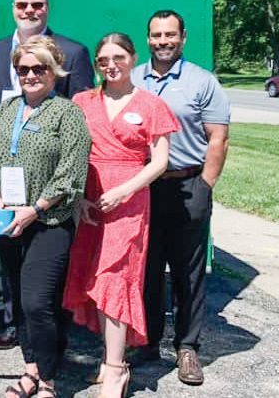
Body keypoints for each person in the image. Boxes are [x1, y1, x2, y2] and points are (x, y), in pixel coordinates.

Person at [61, 33, 181, 398]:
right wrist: (81, 195)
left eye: (118, 57)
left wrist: (126, 190)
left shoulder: (151, 104)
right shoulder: (82, 101)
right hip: (92, 203)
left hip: (129, 203)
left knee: (115, 280)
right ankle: (107, 358)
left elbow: (160, 161)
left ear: (132, 58)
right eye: (103, 60)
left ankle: (116, 369)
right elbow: (73, 151)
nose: (110, 65)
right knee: (95, 282)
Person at [0, 0, 94, 351]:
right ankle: (15, 328)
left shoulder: (73, 52)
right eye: (22, 5)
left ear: (47, 8)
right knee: (11, 265)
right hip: (5, 187)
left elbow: (80, 119)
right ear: (13, 8)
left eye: (37, 5)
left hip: (47, 193)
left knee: (44, 280)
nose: (30, 11)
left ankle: (49, 346)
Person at [130, 9, 231, 386]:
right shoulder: (134, 78)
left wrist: (205, 185)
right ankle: (148, 342)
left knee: (188, 273)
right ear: (148, 38)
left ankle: (187, 346)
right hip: (144, 188)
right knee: (148, 269)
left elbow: (217, 138)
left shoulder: (202, 82)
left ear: (183, 37)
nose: (163, 42)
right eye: (156, 35)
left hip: (188, 185)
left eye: (170, 35)